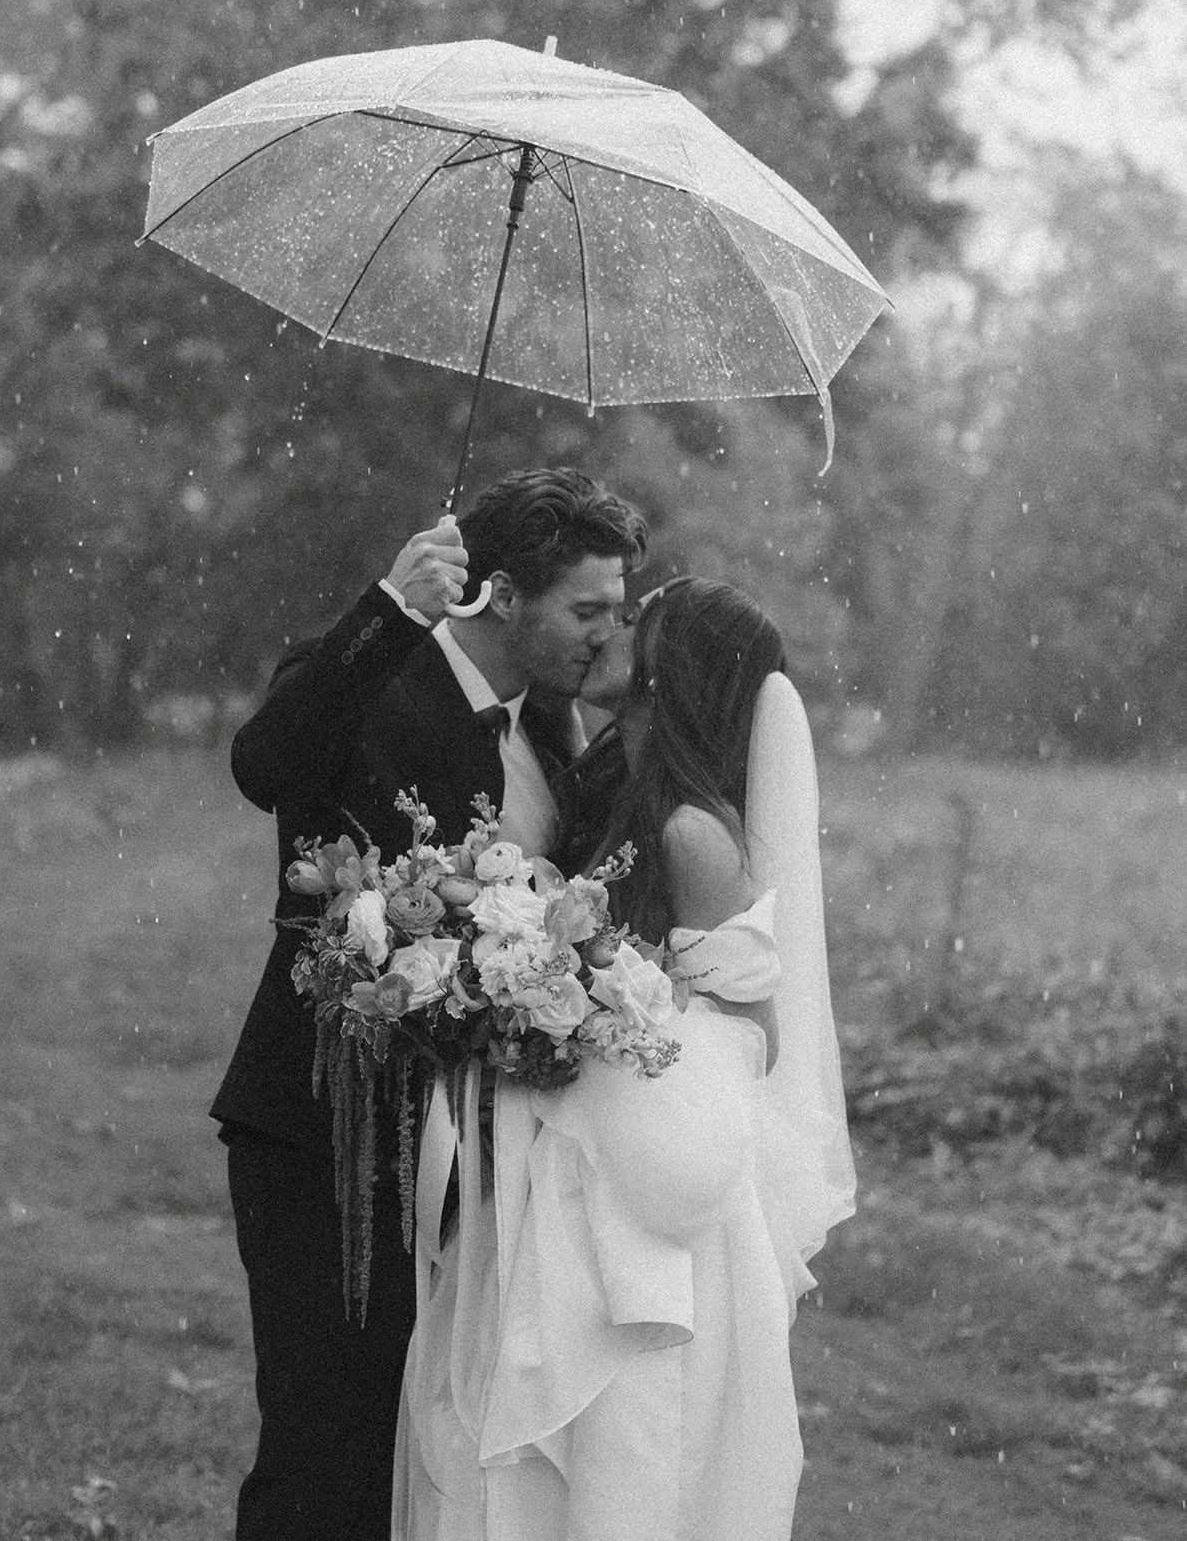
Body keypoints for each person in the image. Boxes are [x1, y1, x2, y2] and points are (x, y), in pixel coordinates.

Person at [212, 467, 647, 1541]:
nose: (609, 633)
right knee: (328, 1448)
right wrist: (392, 608)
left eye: (617, 610)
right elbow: (265, 762)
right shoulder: (368, 674)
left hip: (486, 1159)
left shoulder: (552, 729)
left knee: (434, 1449)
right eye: (587, 610)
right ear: (501, 594)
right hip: (328, 1133)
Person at [393, 576, 856, 1541]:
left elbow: (747, 1036)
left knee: (619, 1457)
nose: (609, 629)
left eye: (634, 617)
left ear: (669, 666)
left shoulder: (693, 835)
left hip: (637, 1205)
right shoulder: (599, 781)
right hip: (555, 1172)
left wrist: (598, 1010)